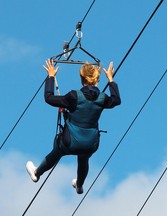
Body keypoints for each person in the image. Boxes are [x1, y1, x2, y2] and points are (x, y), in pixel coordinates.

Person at [26, 59, 121, 194]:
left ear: (82, 80)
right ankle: (80, 185)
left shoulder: (74, 96)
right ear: (96, 80)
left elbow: (48, 97)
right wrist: (111, 80)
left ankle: (37, 173)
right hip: (91, 143)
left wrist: (51, 76)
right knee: (83, 158)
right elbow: (117, 100)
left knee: (57, 151)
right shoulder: (103, 98)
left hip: (69, 143)